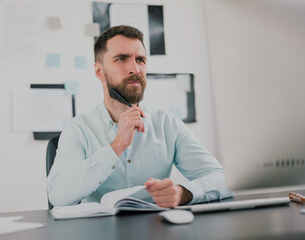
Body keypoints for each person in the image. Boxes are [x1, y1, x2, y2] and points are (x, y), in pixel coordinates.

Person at [47, 25, 233, 208]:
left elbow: (222, 180)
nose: (135, 69)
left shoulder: (167, 124)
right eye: (121, 59)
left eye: (141, 60)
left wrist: (183, 193)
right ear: (99, 71)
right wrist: (117, 146)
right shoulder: (79, 129)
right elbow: (58, 195)